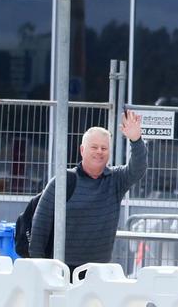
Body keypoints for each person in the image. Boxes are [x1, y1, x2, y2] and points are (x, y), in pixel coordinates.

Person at [29, 110, 147, 270]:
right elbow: (40, 226)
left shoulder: (116, 180)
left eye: (104, 148)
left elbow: (138, 169)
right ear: (82, 150)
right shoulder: (63, 181)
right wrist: (39, 268)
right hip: (60, 269)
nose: (99, 151)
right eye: (94, 147)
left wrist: (136, 140)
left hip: (98, 271)